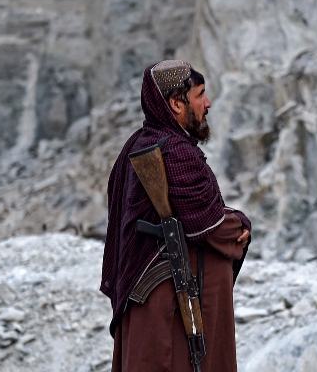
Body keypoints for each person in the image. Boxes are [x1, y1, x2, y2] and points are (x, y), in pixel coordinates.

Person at [101, 60, 252, 371]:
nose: (207, 103)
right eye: (200, 95)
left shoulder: (137, 142)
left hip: (149, 296)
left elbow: (189, 212)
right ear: (176, 104)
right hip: (168, 302)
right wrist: (240, 224)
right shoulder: (176, 151)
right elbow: (207, 225)